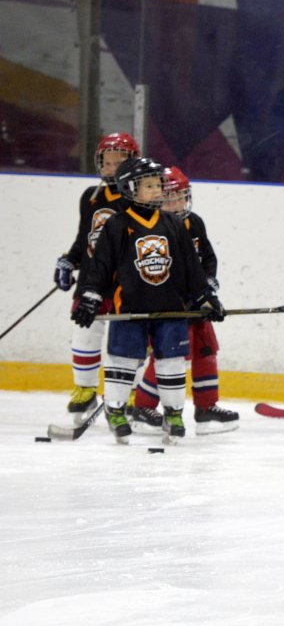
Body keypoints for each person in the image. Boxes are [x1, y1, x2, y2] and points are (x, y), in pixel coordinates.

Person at [71, 156, 223, 444]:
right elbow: (100, 266)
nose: (157, 191)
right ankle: (115, 410)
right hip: (129, 308)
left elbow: (191, 267)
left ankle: (174, 413)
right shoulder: (117, 225)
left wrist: (206, 295)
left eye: (158, 185)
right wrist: (90, 295)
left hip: (171, 309)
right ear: (130, 188)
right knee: (123, 361)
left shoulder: (174, 224)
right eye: (149, 186)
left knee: (172, 362)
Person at [128, 167, 240, 436]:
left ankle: (206, 408)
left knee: (205, 350)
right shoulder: (152, 228)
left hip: (198, 301)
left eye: (180, 197)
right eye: (169, 198)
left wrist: (209, 285)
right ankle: (142, 407)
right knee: (168, 354)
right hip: (171, 304)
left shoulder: (194, 222)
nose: (176, 204)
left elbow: (208, 258)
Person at [49, 131, 136, 439]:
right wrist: (69, 260)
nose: (111, 168)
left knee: (129, 343)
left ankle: (132, 394)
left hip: (126, 281)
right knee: (84, 333)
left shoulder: (137, 196)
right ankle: (85, 390)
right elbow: (83, 238)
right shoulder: (90, 196)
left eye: (118, 163)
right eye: (107, 162)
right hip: (91, 280)